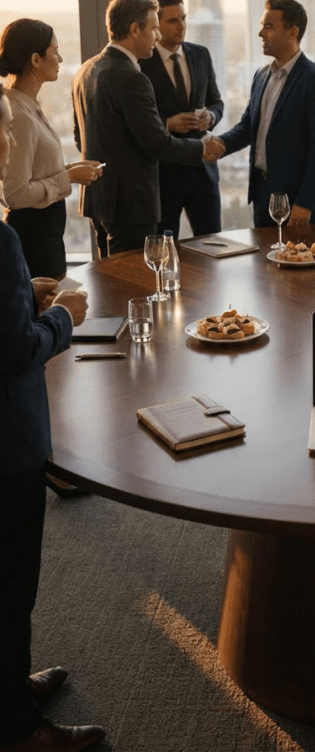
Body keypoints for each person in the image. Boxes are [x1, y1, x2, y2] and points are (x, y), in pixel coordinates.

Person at [0, 82, 105, 752]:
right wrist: (62, 315)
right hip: (6, 443)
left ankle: (9, 688)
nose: (6, 143)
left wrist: (20, 296)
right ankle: (18, 728)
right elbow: (15, 349)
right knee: (11, 586)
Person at [72, 0, 221, 257]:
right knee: (132, 286)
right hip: (130, 204)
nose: (156, 35)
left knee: (109, 285)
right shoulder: (132, 77)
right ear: (134, 29)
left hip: (99, 198)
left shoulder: (84, 71)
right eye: (153, 28)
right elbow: (156, 143)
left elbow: (79, 137)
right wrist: (200, 148)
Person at [212, 0, 315, 226]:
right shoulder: (261, 75)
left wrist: (305, 203)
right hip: (262, 194)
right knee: (265, 261)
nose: (260, 33)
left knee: (299, 261)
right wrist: (219, 145)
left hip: (297, 201)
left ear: (292, 32)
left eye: (268, 26)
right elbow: (248, 126)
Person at [0, 20, 103, 278]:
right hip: (33, 239)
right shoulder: (20, 114)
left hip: (43, 234)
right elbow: (15, 193)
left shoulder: (27, 105)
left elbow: (32, 170)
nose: (60, 57)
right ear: (36, 59)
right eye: (55, 51)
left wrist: (70, 170)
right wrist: (67, 178)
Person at [139, 0, 224, 238]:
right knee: (165, 251)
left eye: (184, 18)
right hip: (164, 176)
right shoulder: (141, 62)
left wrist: (211, 117)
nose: (181, 26)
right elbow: (137, 120)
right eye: (173, 21)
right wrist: (167, 124)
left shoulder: (200, 54)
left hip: (203, 171)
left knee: (212, 246)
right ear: (156, 24)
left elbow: (216, 101)